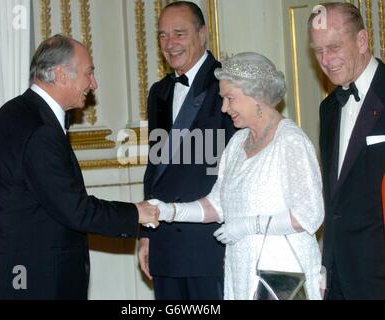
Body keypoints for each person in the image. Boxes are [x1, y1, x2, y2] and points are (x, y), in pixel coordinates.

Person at [0, 34, 158, 300]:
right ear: (61, 75)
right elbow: (74, 209)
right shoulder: (40, 129)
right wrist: (136, 213)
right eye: (88, 73)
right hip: (29, 283)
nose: (94, 83)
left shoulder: (15, 112)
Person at [150, 52, 325, 299]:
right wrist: (170, 211)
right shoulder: (237, 143)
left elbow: (309, 215)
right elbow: (217, 204)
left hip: (282, 276)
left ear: (257, 96)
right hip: (242, 269)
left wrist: (247, 226)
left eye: (229, 99)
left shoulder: (291, 142)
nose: (224, 108)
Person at [138, 1, 235, 300]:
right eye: (163, 36)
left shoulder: (228, 83)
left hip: (208, 245)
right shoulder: (159, 92)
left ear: (202, 34)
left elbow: (235, 168)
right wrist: (146, 234)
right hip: (165, 242)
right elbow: (155, 166)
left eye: (179, 33)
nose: (170, 44)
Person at [308, 3, 385, 299]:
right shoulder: (328, 108)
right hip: (338, 279)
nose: (325, 60)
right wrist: (325, 265)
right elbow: (334, 198)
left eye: (334, 47)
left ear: (363, 40)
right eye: (318, 50)